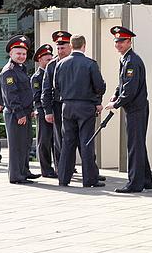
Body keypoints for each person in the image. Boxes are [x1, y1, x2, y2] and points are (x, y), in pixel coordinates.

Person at [105, 26, 152, 193]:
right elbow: (123, 84)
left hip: (136, 108)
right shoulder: (126, 59)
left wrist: (117, 103)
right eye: (116, 41)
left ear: (129, 41)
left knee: (134, 145)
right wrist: (115, 94)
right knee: (138, 143)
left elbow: (130, 89)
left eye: (121, 41)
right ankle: (146, 180)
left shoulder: (131, 60)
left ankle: (134, 183)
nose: (118, 44)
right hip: (135, 108)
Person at [55, 35, 106, 188]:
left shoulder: (60, 64)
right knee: (86, 142)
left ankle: (63, 178)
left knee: (68, 142)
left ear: (71, 45)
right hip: (85, 106)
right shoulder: (90, 64)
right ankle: (89, 179)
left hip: (67, 106)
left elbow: (56, 85)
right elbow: (99, 86)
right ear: (84, 45)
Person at [0, 35, 40, 184]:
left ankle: (24, 171)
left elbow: (25, 92)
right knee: (16, 146)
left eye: (24, 54)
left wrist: (29, 110)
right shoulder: (9, 71)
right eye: (18, 53)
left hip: (24, 113)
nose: (22, 56)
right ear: (11, 54)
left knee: (25, 143)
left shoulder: (21, 69)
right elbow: (11, 95)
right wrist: (19, 113)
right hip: (15, 114)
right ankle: (16, 176)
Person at [42, 31, 72, 170]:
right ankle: (61, 169)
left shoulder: (76, 62)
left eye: (63, 48)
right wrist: (48, 111)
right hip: (58, 106)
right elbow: (46, 89)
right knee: (59, 139)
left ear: (70, 47)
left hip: (74, 105)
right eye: (58, 48)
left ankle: (89, 171)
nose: (60, 51)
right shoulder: (52, 65)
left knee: (80, 139)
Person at [31, 44, 57, 178]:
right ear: (39, 60)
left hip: (54, 110)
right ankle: (46, 169)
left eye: (51, 59)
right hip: (43, 113)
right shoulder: (37, 77)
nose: (50, 62)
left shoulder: (53, 72)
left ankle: (59, 166)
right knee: (45, 141)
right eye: (47, 60)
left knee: (56, 141)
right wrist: (45, 111)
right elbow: (37, 97)